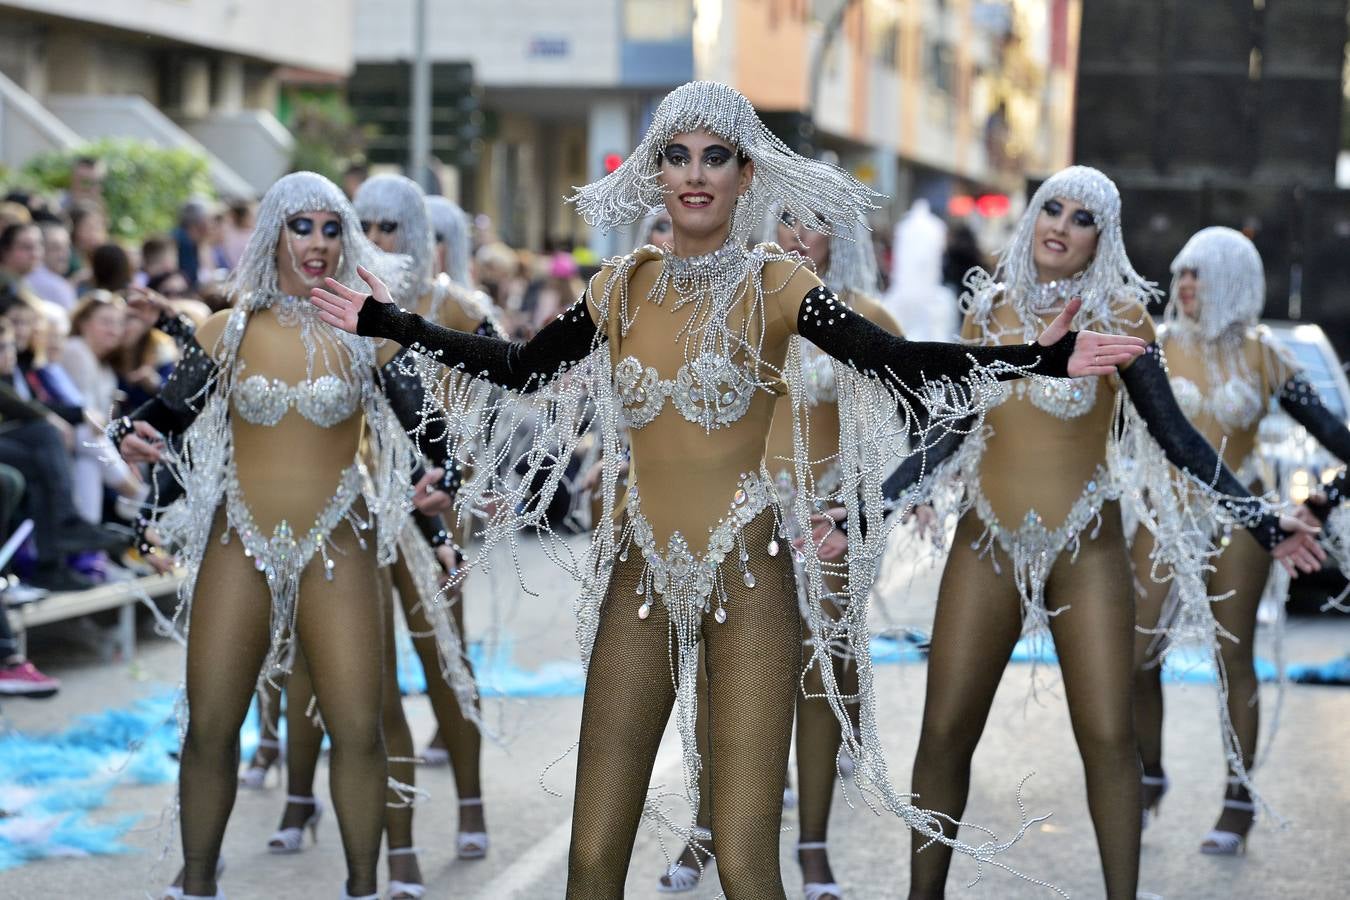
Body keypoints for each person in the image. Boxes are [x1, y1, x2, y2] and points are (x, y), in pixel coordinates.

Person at [311, 81, 1147, 899]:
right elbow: (521, 368)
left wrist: (1041, 360)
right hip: (638, 583)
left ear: (748, 176)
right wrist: (392, 324)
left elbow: (897, 363)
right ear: (655, 173)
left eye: (716, 157)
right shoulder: (619, 287)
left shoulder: (776, 286)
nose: (695, 173)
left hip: (750, 583)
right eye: (676, 157)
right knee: (592, 860)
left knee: (747, 869)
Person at [843, 167, 1322, 900]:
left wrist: (1261, 515)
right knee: (943, 732)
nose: (1061, 226)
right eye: (1052, 209)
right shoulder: (989, 314)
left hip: (1085, 547)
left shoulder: (1125, 320)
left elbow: (1178, 440)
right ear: (1032, 216)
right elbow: (948, 437)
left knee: (1107, 738)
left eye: (1084, 218)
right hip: (988, 540)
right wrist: (862, 511)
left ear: (1106, 236)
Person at [108, 171, 460, 900]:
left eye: (333, 229)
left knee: (359, 727)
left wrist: (444, 481)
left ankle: (364, 885)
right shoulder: (224, 331)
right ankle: (196, 881)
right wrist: (130, 436)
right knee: (210, 724)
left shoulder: (372, 335)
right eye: (302, 227)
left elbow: (432, 437)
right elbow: (162, 418)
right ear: (273, 233)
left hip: (341, 536)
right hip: (241, 535)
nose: (319, 244)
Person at [1131, 226, 1350, 856]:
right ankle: (1149, 773)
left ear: (1235, 281)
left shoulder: (1265, 357)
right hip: (1162, 516)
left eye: (1201, 273)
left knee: (1233, 658)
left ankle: (1238, 798)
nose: (1186, 285)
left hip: (1242, 522)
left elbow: (1339, 439)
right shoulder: (1152, 345)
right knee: (1137, 655)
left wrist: (1321, 499)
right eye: (1183, 273)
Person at [29, 219, 77, 309]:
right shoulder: (58, 286)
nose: (64, 254)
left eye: (67, 246)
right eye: (55, 248)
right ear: (40, 249)